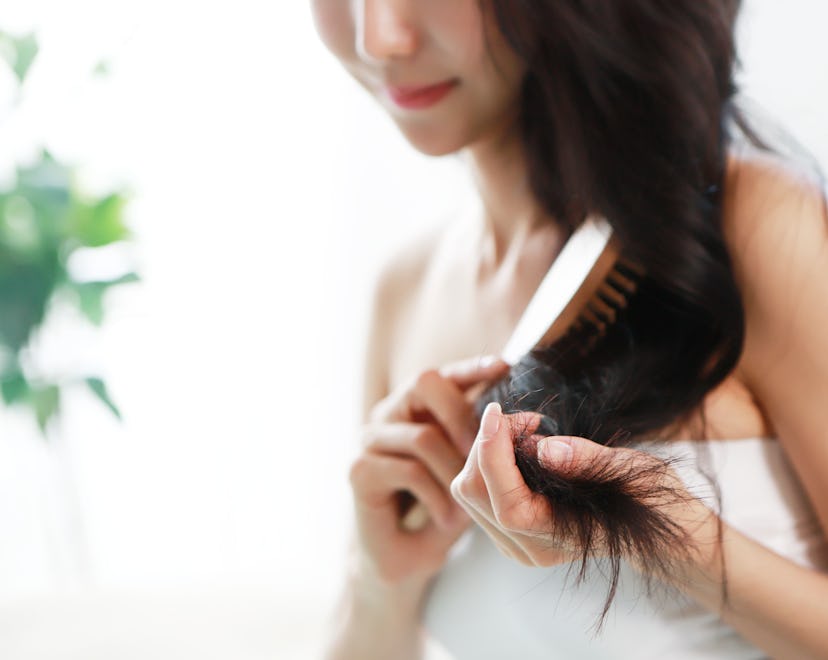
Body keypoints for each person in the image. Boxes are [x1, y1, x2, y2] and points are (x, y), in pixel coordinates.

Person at [310, 1, 828, 658]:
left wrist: (662, 533)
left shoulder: (755, 227)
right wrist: (382, 579)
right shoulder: (405, 288)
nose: (380, 37)